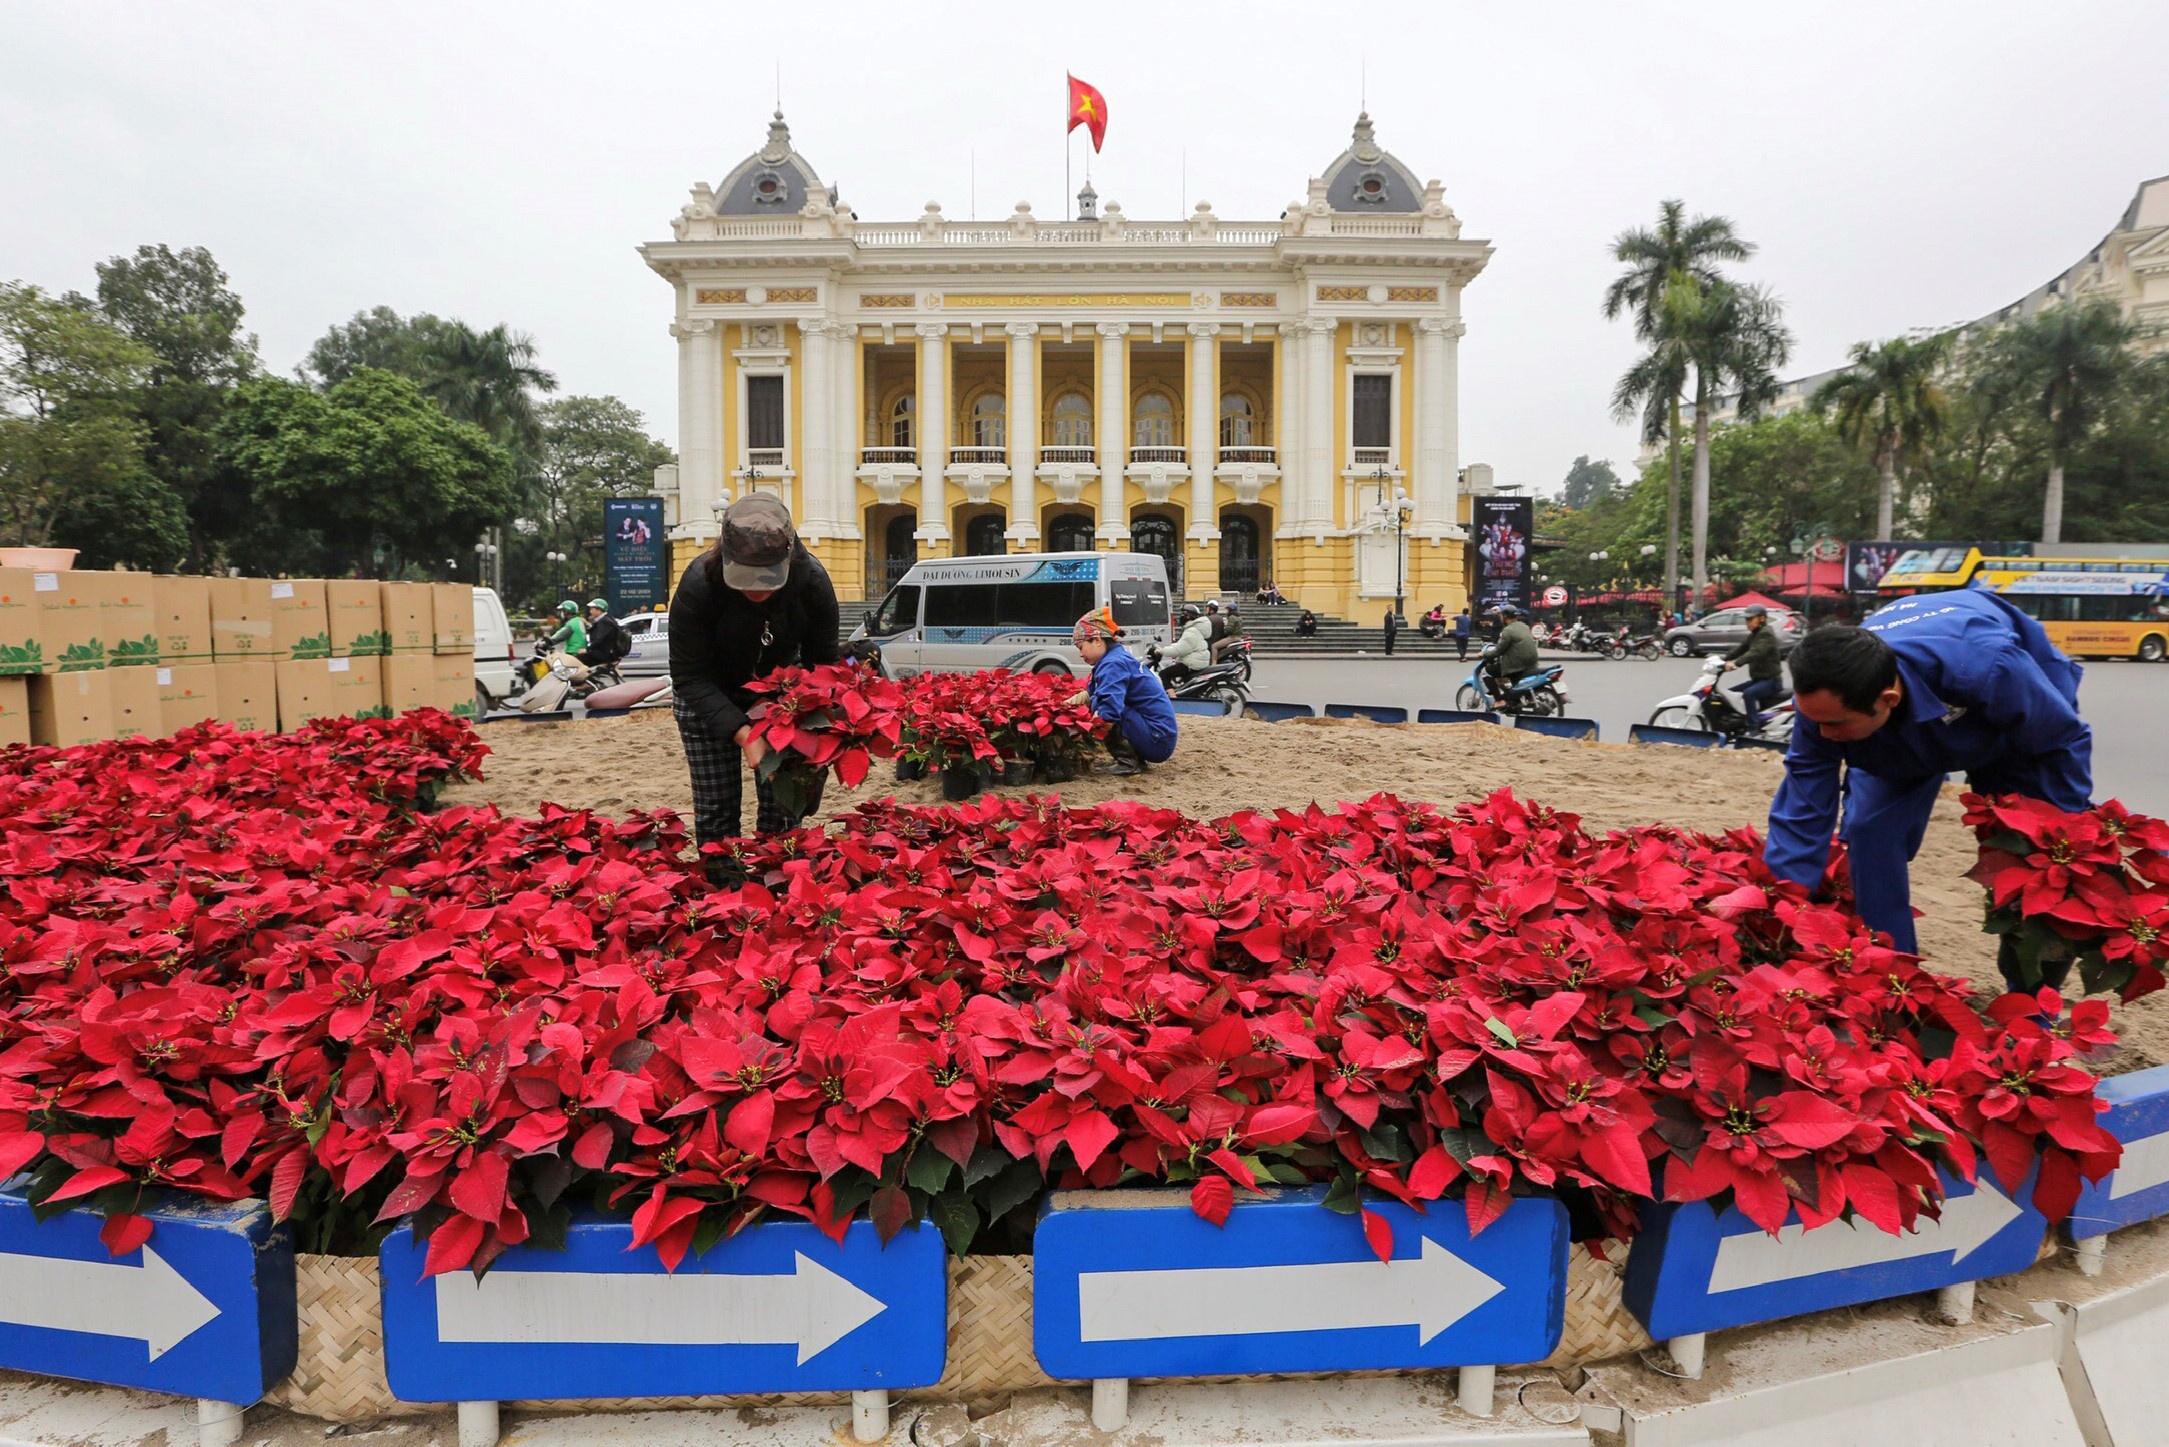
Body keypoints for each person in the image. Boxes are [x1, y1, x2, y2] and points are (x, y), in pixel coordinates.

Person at [1764, 588, 2092, 970]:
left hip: (2007, 731)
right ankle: (1891, 967)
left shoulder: (1989, 667)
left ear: (1888, 698)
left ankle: (2031, 996)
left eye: (1833, 725)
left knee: (2028, 860)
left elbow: (2057, 742)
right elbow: (1806, 795)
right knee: (1870, 831)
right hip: (1891, 734)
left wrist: (2065, 826)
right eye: (1814, 721)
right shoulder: (1827, 703)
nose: (1823, 734)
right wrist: (1786, 900)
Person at [669, 493, 841, 858]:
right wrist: (745, 734)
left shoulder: (812, 584)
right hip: (707, 695)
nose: (756, 589)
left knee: (783, 814)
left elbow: (823, 668)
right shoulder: (699, 584)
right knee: (716, 810)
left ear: (788, 555)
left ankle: (777, 891)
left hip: (780, 699)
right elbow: (688, 676)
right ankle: (722, 893)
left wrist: (792, 720)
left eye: (766, 578)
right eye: (744, 577)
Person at [1071, 607, 1177, 776]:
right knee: (1101, 701)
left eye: (1080, 646)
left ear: (1097, 639)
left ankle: (1127, 762)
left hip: (1158, 740)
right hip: (1158, 736)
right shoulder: (1114, 659)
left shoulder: (1113, 663)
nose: (1080, 654)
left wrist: (1082, 739)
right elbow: (1093, 692)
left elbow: (1109, 711)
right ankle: (1133, 759)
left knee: (1107, 708)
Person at [1720, 604, 1785, 728]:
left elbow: (1756, 652)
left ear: (1762, 618)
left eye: (1750, 619)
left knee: (1749, 694)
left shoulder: (1766, 634)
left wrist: (1735, 663)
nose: (1747, 623)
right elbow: (1741, 649)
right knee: (1729, 694)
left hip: (1771, 681)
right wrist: (1721, 659)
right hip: (1758, 680)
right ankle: (1737, 723)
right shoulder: (1755, 634)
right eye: (1746, 620)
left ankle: (1753, 728)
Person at [1155, 605, 1212, 685]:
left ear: (1188, 616)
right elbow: (1183, 645)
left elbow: (1179, 650)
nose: (1180, 617)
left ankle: (1172, 697)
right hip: (1197, 662)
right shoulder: (1194, 630)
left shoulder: (1191, 632)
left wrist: (1162, 651)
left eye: (1182, 615)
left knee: (1164, 674)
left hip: (1192, 664)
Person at [1485, 605, 1539, 689]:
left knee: (1488, 671)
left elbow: (1498, 651)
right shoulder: (1525, 627)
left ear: (1505, 616)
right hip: (1532, 663)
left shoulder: (1508, 630)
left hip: (1517, 665)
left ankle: (1499, 701)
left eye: (1501, 615)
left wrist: (1484, 653)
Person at [579, 598, 630, 671]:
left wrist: (587, 649)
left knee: (577, 661)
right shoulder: (607, 619)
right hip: (607, 653)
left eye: (592, 609)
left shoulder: (604, 622)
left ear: (599, 610)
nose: (590, 611)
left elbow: (599, 639)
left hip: (604, 655)